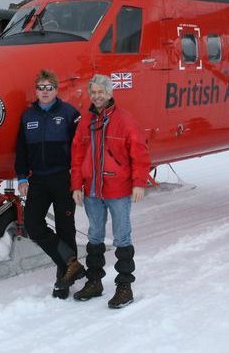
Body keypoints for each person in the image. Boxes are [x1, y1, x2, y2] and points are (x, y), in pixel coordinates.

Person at [70, 74, 151, 309]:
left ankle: (124, 285)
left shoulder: (124, 120)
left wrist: (139, 183)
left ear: (110, 93)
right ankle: (95, 282)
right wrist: (76, 185)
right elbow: (77, 156)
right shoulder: (85, 121)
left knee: (121, 237)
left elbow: (139, 153)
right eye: (93, 92)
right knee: (94, 236)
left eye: (101, 92)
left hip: (118, 189)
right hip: (93, 191)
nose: (97, 96)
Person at [15, 69, 84, 299]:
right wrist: (22, 177)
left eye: (50, 88)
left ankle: (63, 280)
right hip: (39, 179)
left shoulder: (69, 113)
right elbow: (22, 150)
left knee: (66, 228)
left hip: (63, 178)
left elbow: (80, 147)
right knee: (33, 225)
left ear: (56, 90)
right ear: (36, 91)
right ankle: (70, 262)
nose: (45, 92)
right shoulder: (28, 116)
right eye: (41, 88)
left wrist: (78, 178)